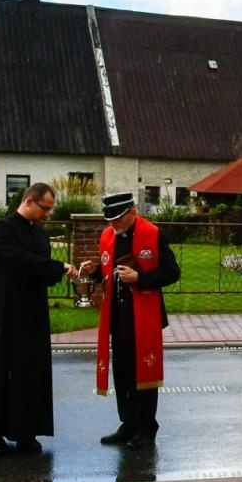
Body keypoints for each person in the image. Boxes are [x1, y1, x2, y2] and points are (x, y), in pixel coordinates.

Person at [0, 182, 78, 453]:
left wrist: (62, 273)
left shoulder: (40, 235)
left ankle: (26, 430)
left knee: (31, 368)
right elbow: (18, 260)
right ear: (29, 201)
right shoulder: (2, 229)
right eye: (45, 208)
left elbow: (40, 270)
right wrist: (56, 267)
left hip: (32, 307)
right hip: (3, 306)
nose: (47, 214)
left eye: (50, 209)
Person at [81, 191, 180, 449]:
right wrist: (94, 274)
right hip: (118, 316)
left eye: (118, 219)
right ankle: (128, 424)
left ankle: (146, 429)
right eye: (110, 220)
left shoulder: (153, 234)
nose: (113, 225)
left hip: (145, 316)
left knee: (144, 373)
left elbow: (172, 272)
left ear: (132, 213)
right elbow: (107, 274)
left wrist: (139, 278)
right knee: (123, 374)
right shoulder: (107, 236)